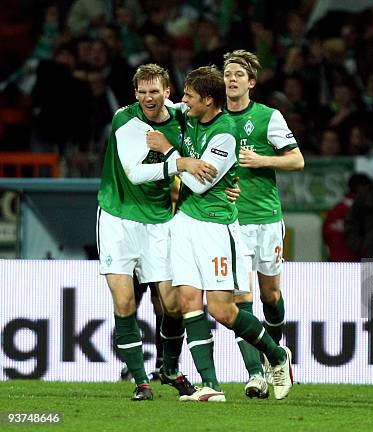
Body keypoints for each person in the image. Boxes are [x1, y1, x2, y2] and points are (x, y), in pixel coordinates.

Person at [147, 65, 294, 402]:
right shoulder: (190, 114)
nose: (183, 101)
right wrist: (147, 96)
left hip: (215, 227)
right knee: (187, 301)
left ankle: (276, 354)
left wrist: (171, 153)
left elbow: (200, 183)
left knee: (222, 310)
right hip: (184, 222)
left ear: (208, 101)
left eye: (190, 97)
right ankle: (210, 385)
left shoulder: (225, 133)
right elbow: (163, 106)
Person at [97, 63, 216, 401]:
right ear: (135, 93)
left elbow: (207, 116)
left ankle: (169, 367)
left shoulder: (181, 117)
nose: (149, 97)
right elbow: (135, 173)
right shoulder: (126, 120)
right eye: (143, 91)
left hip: (161, 222)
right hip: (118, 219)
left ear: (168, 92)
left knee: (173, 304)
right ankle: (140, 381)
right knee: (124, 301)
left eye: (155, 91)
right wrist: (179, 162)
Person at [222, 49, 304, 399]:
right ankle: (255, 373)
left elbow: (297, 161)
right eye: (227, 73)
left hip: (267, 218)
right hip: (231, 221)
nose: (232, 79)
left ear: (251, 82)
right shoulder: (212, 117)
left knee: (270, 295)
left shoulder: (268, 117)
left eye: (239, 74)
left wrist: (260, 159)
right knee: (241, 298)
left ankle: (276, 355)